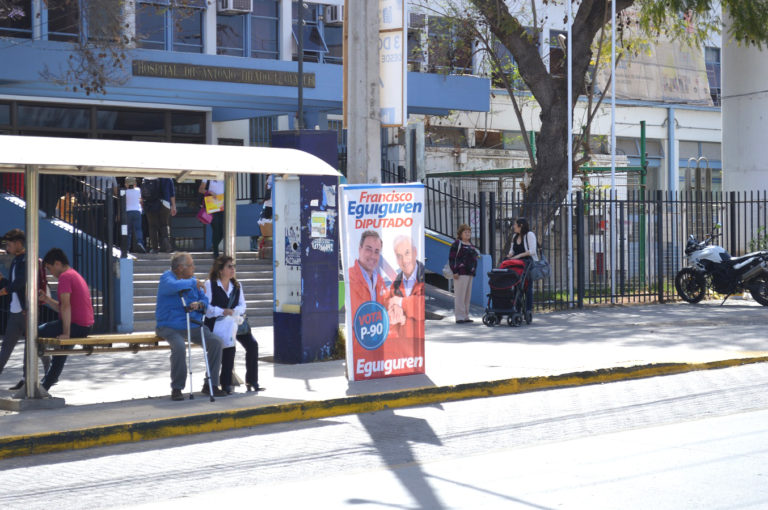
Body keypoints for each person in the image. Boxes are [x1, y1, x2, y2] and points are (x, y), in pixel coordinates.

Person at [156, 252, 225, 401]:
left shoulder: (193, 281)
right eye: (191, 265)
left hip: (192, 324)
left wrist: (199, 305)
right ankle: (177, 387)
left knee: (216, 343)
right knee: (179, 346)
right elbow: (173, 286)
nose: (194, 267)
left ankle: (211, 384)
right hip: (169, 326)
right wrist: (194, 283)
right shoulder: (167, 278)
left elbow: (205, 300)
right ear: (180, 268)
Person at [204, 256, 264, 394]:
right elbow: (207, 308)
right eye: (229, 266)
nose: (232, 269)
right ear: (220, 270)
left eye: (233, 266)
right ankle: (225, 383)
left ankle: (252, 380)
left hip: (234, 323)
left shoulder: (237, 285)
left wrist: (235, 312)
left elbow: (243, 305)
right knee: (228, 348)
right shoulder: (210, 284)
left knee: (252, 344)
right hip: (216, 324)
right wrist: (222, 311)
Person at [36, 248, 94, 390]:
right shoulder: (74, 274)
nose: (50, 273)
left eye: (49, 269)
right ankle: (45, 386)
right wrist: (47, 299)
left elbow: (66, 306)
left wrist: (66, 333)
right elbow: (63, 308)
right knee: (59, 355)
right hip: (84, 326)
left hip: (75, 325)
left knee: (35, 332)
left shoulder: (65, 277)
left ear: (57, 263)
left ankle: (32, 372)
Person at [0, 229, 50, 388]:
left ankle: (49, 373)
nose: (7, 248)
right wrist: (3, 282)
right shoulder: (16, 260)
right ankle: (27, 378)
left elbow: (21, 282)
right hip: (17, 311)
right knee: (7, 346)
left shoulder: (27, 260)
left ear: (18, 244)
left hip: (27, 311)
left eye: (8, 244)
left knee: (35, 346)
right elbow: (15, 284)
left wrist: (5, 290)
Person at [387, 235, 425, 341]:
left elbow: (422, 306)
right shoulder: (394, 285)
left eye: (407, 253)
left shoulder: (424, 277)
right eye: (399, 256)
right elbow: (390, 322)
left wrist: (400, 302)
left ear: (415, 252)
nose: (404, 260)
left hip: (424, 343)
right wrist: (393, 319)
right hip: (403, 345)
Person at [348, 230, 390, 315]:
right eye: (368, 249)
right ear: (360, 249)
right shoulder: (349, 276)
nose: (372, 256)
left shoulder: (379, 280)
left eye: (377, 251)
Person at [506, 217, 537, 314]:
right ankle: (517, 309)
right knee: (516, 286)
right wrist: (510, 254)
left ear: (521, 226)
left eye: (515, 224)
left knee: (527, 287)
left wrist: (519, 255)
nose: (513, 226)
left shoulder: (529, 235)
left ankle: (528, 310)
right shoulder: (515, 236)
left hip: (527, 263)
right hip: (516, 264)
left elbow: (532, 251)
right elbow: (512, 249)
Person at [449, 224, 478, 324]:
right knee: (460, 296)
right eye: (465, 232)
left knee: (467, 296)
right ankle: (459, 317)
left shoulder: (470, 244)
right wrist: (455, 271)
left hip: (470, 273)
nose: (468, 234)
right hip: (460, 273)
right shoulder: (457, 244)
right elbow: (452, 259)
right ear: (460, 234)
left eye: (469, 232)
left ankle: (465, 316)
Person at [143, 177, 176, 253]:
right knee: (164, 224)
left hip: (151, 203)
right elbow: (172, 193)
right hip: (165, 203)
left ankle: (155, 248)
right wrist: (173, 206)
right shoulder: (168, 178)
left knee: (152, 226)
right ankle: (165, 244)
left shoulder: (148, 176)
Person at [199, 179, 225, 258]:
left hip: (222, 204)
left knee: (222, 231)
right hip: (212, 202)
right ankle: (216, 252)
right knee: (216, 228)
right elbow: (200, 189)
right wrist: (210, 192)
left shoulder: (224, 176)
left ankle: (214, 246)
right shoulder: (207, 176)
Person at [124, 177, 147, 253]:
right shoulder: (138, 190)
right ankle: (140, 242)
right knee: (138, 229)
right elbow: (140, 200)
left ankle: (127, 247)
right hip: (137, 211)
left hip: (128, 212)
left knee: (128, 231)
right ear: (135, 184)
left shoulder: (125, 192)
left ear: (126, 184)